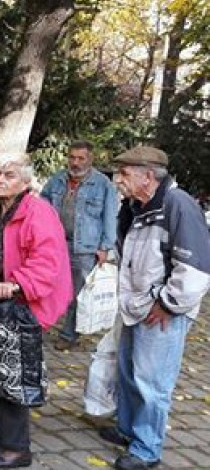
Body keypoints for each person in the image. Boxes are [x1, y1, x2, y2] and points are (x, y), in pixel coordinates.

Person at [97, 146, 210, 470]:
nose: (118, 179)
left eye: (124, 173)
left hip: (160, 312)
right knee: (129, 372)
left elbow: (196, 270)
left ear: (148, 175)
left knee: (152, 382)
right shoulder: (135, 206)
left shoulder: (178, 205)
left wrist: (167, 305)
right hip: (138, 306)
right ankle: (129, 429)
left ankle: (147, 450)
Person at [0, 152, 71, 468]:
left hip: (21, 304)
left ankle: (17, 448)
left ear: (26, 182)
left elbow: (47, 263)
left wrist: (14, 284)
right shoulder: (0, 209)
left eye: (10, 175)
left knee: (14, 373)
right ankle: (4, 435)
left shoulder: (38, 213)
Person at [40, 140, 118, 350]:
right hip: (55, 244)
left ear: (90, 159)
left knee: (77, 293)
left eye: (80, 158)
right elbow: (42, 202)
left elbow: (110, 218)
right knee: (47, 286)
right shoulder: (57, 180)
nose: (75, 162)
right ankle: (41, 323)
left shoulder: (103, 184)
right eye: (72, 157)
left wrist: (105, 247)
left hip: (85, 248)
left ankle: (68, 335)